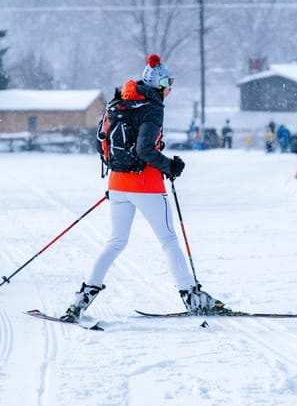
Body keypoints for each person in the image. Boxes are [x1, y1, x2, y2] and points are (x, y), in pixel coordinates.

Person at [60, 54, 226, 323]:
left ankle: (80, 301)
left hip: (117, 183)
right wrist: (170, 166)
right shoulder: (152, 108)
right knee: (169, 240)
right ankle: (192, 297)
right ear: (159, 85)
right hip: (146, 184)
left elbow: (104, 142)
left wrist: (122, 174)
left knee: (115, 242)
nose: (170, 88)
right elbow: (145, 149)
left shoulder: (120, 103)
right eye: (168, 83)